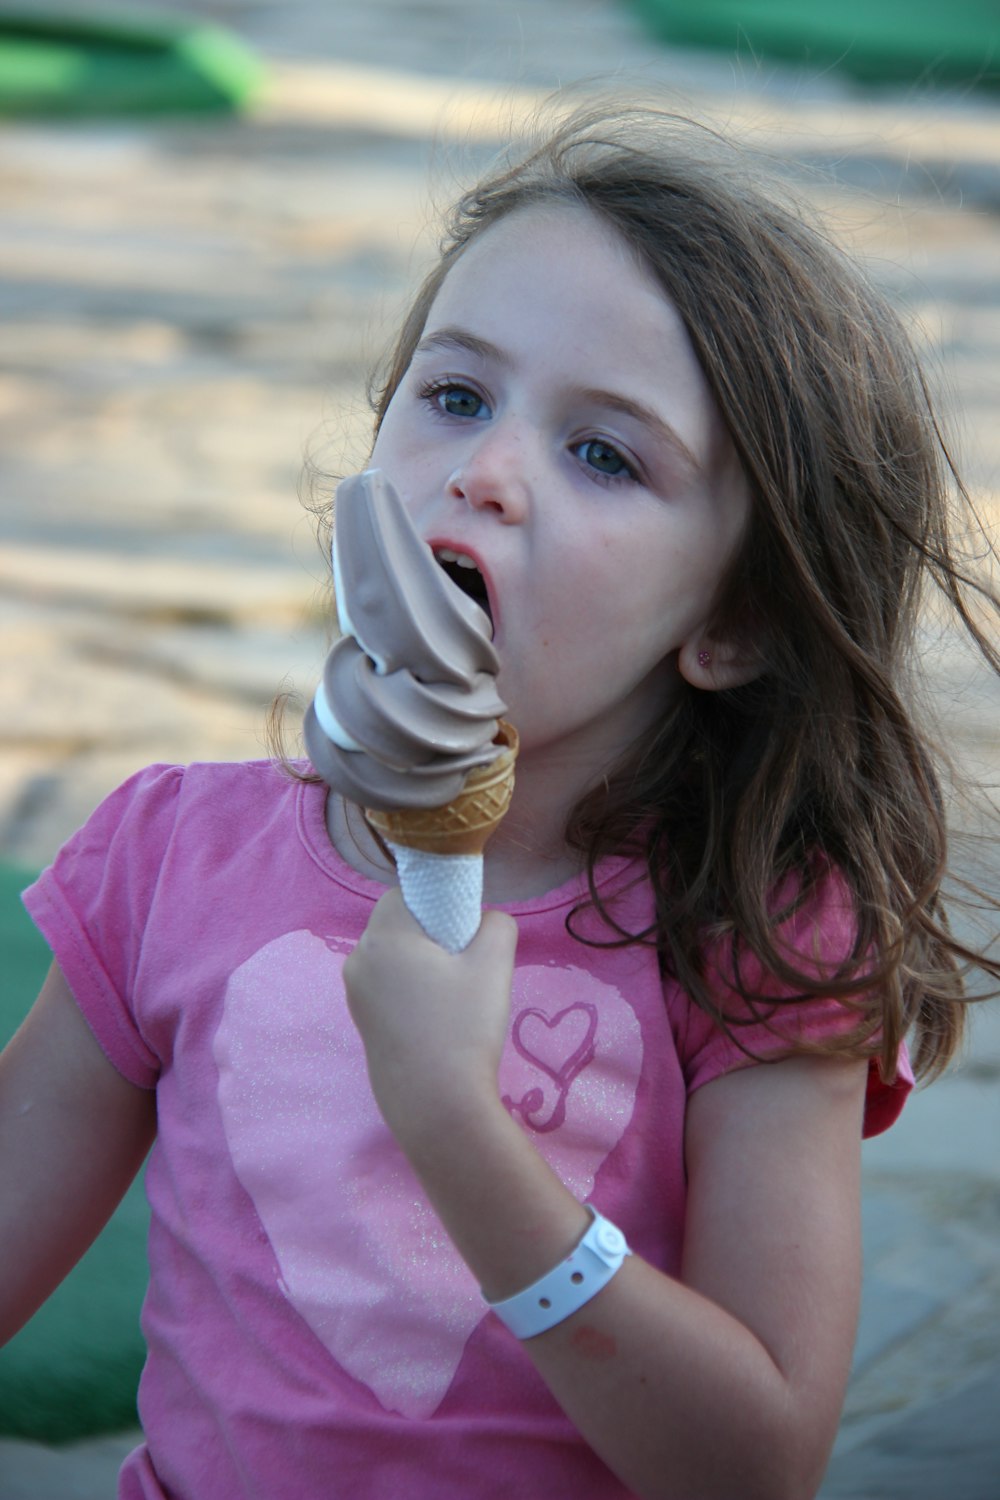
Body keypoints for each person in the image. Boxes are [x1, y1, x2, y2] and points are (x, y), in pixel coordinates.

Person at [2, 100, 998, 1500]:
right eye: (456, 395)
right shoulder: (168, 861)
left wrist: (456, 1124)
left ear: (736, 622)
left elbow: (754, 1464)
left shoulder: (759, 942)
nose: (483, 471)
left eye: (605, 454)